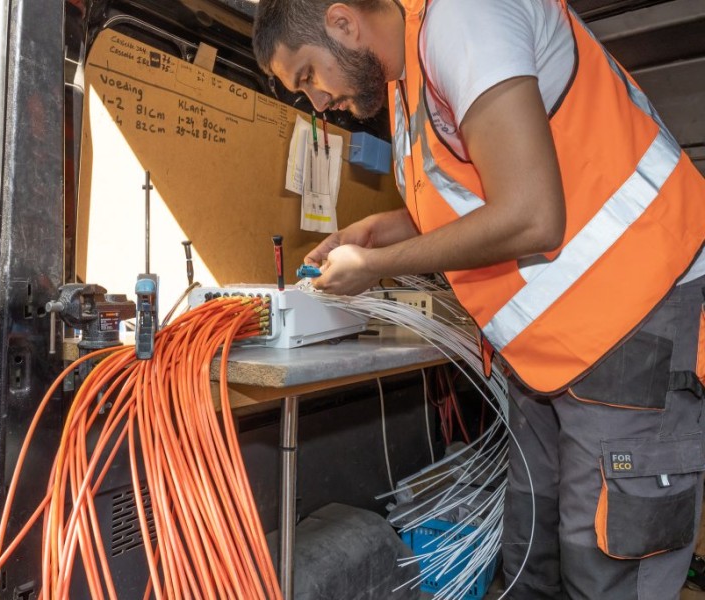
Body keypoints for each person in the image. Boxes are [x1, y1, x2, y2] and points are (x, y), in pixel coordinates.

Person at [252, 0, 705, 598]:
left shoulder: (464, 17)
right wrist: (380, 230)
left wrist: (376, 267)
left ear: (341, 22)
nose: (315, 101)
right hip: (552, 353)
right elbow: (472, 199)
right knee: (530, 557)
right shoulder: (405, 81)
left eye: (308, 76)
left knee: (608, 571)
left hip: (633, 316)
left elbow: (531, 216)